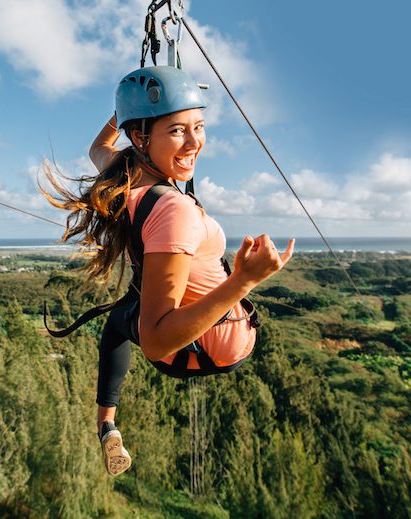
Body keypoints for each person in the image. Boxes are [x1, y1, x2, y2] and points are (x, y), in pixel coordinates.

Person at [43, 66, 295, 476]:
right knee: (126, 321)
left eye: (199, 126)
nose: (195, 142)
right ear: (141, 137)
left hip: (194, 336)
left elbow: (98, 145)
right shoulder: (173, 210)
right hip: (210, 344)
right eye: (178, 130)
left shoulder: (122, 174)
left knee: (116, 325)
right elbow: (158, 342)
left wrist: (125, 112)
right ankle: (105, 421)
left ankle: (105, 421)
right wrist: (244, 281)